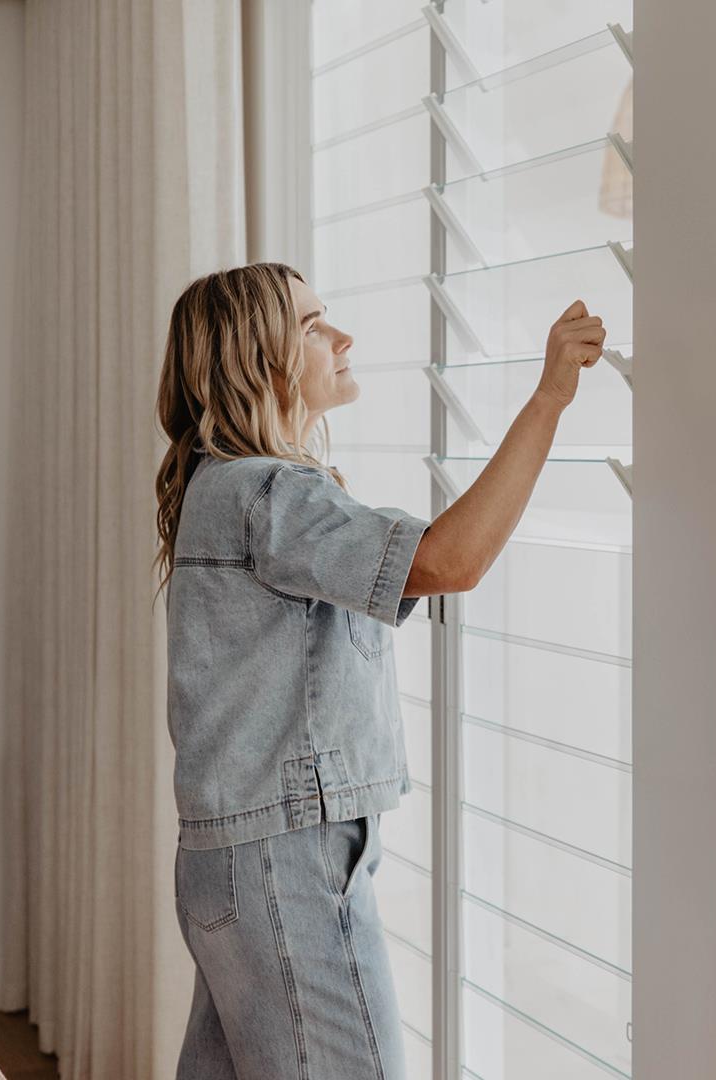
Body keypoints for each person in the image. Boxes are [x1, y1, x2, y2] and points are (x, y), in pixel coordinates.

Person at [152, 263, 606, 1080]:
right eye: (314, 324)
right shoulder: (265, 492)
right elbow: (449, 560)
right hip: (284, 864)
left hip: (232, 862)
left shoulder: (221, 488)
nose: (342, 337)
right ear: (257, 355)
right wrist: (549, 401)